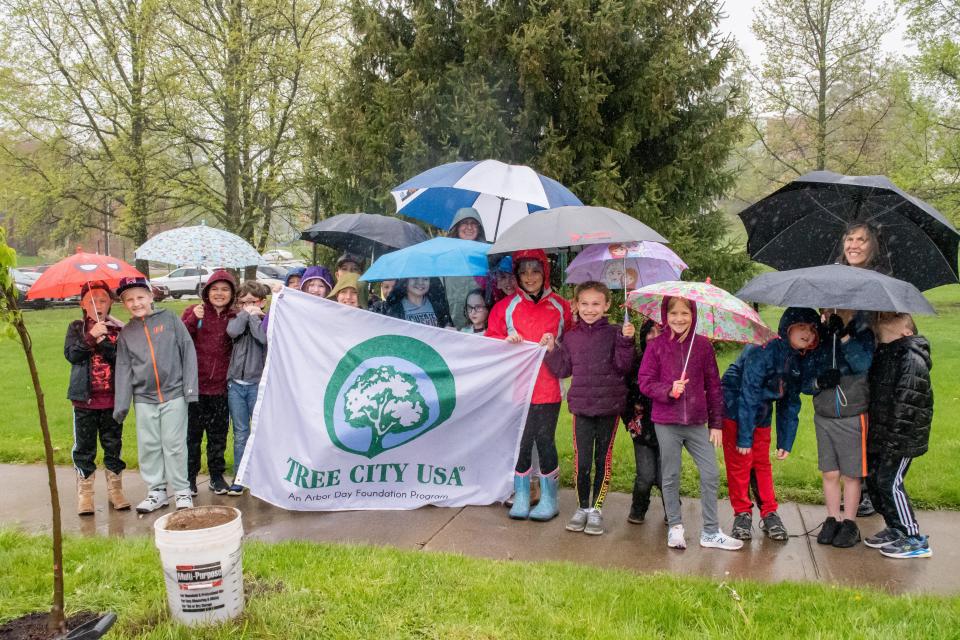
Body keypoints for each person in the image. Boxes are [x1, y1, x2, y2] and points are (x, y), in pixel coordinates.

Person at [637, 296, 742, 551]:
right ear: (665, 315)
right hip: (666, 422)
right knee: (670, 475)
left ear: (693, 315)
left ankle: (710, 531)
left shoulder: (703, 346)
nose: (679, 319)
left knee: (711, 473)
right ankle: (675, 527)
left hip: (696, 422)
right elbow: (645, 382)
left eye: (685, 313)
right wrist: (668, 390)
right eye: (674, 313)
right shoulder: (656, 346)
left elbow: (714, 387)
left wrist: (716, 423)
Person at [542, 281, 635, 535]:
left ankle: (596, 510)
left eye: (596, 304)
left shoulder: (616, 333)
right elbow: (563, 369)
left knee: (601, 460)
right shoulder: (571, 337)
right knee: (582, 461)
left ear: (606, 305)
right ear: (575, 305)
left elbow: (624, 367)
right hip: (582, 408)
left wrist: (627, 342)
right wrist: (551, 350)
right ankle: (582, 507)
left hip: (609, 407)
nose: (590, 309)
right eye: (584, 303)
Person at [486, 250, 573, 521]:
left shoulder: (560, 306)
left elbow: (570, 346)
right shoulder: (505, 308)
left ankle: (549, 498)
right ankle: (522, 494)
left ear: (545, 272)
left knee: (545, 441)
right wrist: (506, 342)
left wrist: (554, 346)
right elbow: (489, 342)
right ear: (516, 276)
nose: (529, 277)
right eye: (523, 272)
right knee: (521, 443)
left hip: (548, 388)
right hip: (518, 389)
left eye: (535, 271)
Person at [721, 307, 821, 541]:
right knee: (740, 462)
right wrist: (745, 436)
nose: (808, 333)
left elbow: (790, 401)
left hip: (762, 410)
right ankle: (742, 514)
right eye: (803, 327)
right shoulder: (763, 348)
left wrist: (786, 440)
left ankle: (769, 513)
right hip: (736, 407)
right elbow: (748, 391)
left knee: (761, 462)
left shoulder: (798, 358)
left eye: (813, 329)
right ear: (788, 328)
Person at [113, 276, 198, 512]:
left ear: (151, 296)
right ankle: (156, 492)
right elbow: (123, 369)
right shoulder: (127, 333)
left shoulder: (169, 319)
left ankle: (181, 491)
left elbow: (187, 350)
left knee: (174, 444)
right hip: (144, 398)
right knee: (149, 445)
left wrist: (190, 389)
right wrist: (121, 405)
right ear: (124, 304)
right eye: (129, 300)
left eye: (140, 297)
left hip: (174, 394)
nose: (136, 303)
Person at [803, 308, 875, 548]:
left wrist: (844, 336)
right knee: (830, 472)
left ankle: (850, 523)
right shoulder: (819, 336)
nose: (832, 310)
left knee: (851, 473)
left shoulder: (862, 332)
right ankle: (833, 518)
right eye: (827, 306)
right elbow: (805, 378)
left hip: (851, 414)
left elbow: (863, 363)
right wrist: (818, 382)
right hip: (824, 416)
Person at [864, 313, 933, 558]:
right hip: (883, 435)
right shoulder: (885, 353)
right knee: (874, 480)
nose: (884, 318)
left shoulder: (912, 357)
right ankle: (896, 528)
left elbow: (909, 403)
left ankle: (914, 537)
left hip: (901, 438)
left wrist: (894, 442)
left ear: (907, 332)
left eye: (894, 317)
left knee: (890, 482)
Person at [836, 221, 887, 517]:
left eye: (862, 240)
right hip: (843, 367)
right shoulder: (835, 275)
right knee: (850, 432)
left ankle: (868, 492)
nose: (854, 245)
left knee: (869, 432)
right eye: (850, 239)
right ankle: (854, 487)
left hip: (874, 365)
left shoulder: (880, 282)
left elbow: (879, 327)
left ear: (872, 246)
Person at [64, 281, 128, 515]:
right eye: (91, 300)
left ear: (110, 303)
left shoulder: (118, 329)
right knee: (85, 447)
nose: (97, 305)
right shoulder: (76, 327)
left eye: (102, 300)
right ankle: (86, 494)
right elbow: (72, 355)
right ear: (83, 303)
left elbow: (120, 359)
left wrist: (103, 341)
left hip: (112, 401)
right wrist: (91, 337)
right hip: (85, 401)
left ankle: (116, 490)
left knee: (113, 445)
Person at [181, 269, 237, 496]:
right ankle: (190, 477)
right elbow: (180, 338)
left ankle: (216, 476)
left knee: (218, 436)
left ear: (232, 294)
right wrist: (194, 318)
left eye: (225, 289)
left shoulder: (234, 316)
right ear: (206, 291)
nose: (219, 293)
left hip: (221, 389)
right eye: (214, 289)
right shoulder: (194, 312)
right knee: (192, 436)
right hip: (196, 387)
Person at [224, 280, 270, 496]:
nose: (247, 306)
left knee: (259, 432)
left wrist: (253, 317)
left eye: (252, 302)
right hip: (236, 385)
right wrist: (245, 315)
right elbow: (232, 332)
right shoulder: (238, 319)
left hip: (256, 385)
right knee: (241, 433)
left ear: (262, 302)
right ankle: (239, 476)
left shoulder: (265, 321)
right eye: (243, 303)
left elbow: (262, 338)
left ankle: (260, 476)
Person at [622, 319, 666, 525]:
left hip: (668, 428)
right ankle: (638, 509)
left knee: (666, 476)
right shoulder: (635, 364)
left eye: (659, 332)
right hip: (642, 429)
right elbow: (625, 395)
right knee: (646, 475)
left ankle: (673, 513)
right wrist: (630, 421)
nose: (654, 336)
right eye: (650, 332)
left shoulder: (673, 363)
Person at [445, 207, 489, 328]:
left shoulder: (487, 255)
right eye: (464, 223)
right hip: (453, 322)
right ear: (457, 227)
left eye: (474, 224)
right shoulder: (446, 256)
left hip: (483, 323)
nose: (469, 227)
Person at [381, 277, 454, 328]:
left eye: (425, 279)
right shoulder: (393, 308)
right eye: (415, 278)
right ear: (405, 281)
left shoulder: (438, 305)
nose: (420, 282)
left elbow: (447, 327)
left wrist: (450, 331)